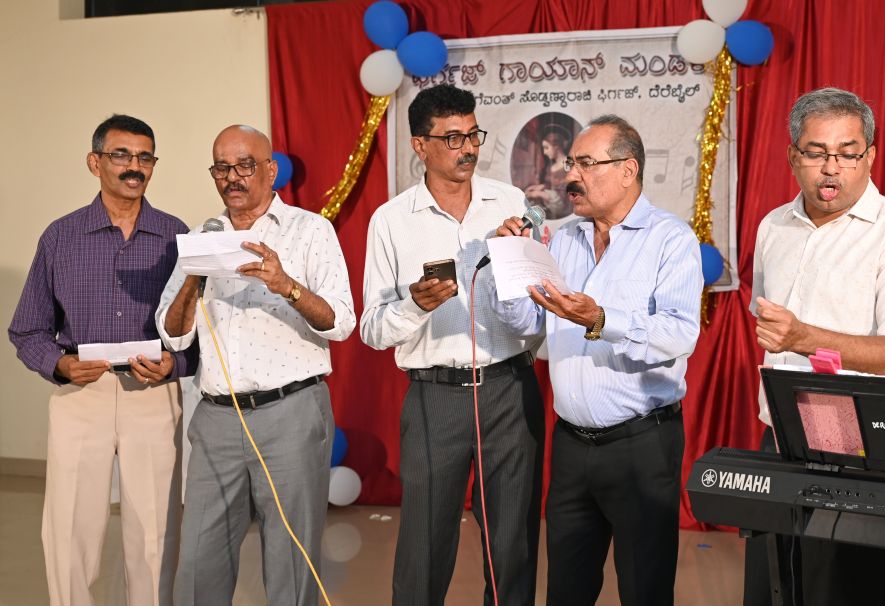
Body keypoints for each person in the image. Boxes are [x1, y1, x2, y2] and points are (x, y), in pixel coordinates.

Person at [493, 114, 702, 605]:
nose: (570, 176)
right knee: (566, 590)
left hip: (641, 445)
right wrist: (512, 260)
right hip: (571, 446)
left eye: (585, 163)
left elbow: (679, 334)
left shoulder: (670, 239)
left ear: (628, 170)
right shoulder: (564, 240)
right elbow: (526, 325)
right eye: (571, 163)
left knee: (644, 590)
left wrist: (602, 319)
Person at [744, 87, 885, 606]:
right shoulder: (773, 227)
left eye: (848, 153)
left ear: (870, 156)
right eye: (816, 152)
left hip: (860, 448)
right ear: (793, 156)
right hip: (779, 438)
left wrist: (805, 337)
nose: (831, 168)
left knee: (843, 593)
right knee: (768, 589)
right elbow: (769, 325)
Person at [360, 83, 545, 606]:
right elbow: (372, 329)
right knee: (424, 544)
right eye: (452, 138)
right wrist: (414, 305)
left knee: (512, 544)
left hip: (509, 389)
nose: (468, 149)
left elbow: (537, 301)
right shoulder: (391, 220)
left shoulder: (510, 203)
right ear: (420, 145)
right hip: (434, 397)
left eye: (473, 135)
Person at [155, 125, 355, 605]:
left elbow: (341, 322)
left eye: (245, 165)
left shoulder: (310, 231)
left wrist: (286, 285)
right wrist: (193, 279)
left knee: (291, 560)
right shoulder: (201, 238)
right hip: (216, 419)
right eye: (221, 168)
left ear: (270, 169)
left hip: (291, 414)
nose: (233, 177)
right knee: (198, 561)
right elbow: (173, 333)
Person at [8, 114, 195, 606]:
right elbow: (26, 329)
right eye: (121, 155)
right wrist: (59, 364)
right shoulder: (60, 236)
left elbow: (197, 333)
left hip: (153, 395)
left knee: (155, 530)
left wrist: (175, 365)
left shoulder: (177, 236)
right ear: (95, 163)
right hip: (80, 393)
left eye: (145, 156)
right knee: (69, 527)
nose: (135, 166)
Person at [524, 126, 573, 220]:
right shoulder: (551, 166)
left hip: (563, 207)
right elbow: (552, 185)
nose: (544, 152)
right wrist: (540, 187)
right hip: (551, 205)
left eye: (546, 148)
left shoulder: (568, 163)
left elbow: (565, 192)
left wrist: (539, 193)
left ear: (556, 146)